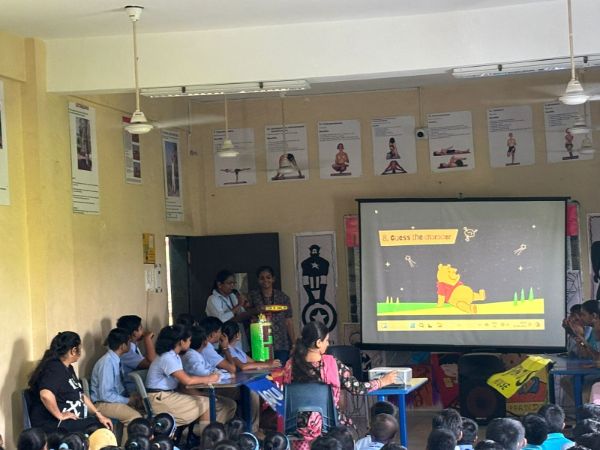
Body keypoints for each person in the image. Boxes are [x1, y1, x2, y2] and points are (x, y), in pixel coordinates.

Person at [283, 321, 397, 450]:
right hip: (328, 425)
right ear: (318, 343)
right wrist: (382, 381)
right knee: (348, 431)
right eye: (326, 340)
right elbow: (357, 388)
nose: (328, 344)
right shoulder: (332, 364)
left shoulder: (290, 365)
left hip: (297, 427)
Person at [27, 331, 113, 432]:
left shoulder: (68, 368)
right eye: (79, 348)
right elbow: (46, 395)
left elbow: (80, 395)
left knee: (101, 423)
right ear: (73, 350)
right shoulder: (54, 368)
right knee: (98, 427)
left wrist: (98, 414)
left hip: (71, 419)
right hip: (51, 422)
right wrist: (60, 415)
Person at [145, 325, 217, 433]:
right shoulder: (167, 357)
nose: (190, 342)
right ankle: (205, 439)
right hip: (159, 398)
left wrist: (200, 394)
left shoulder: (175, 356)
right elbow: (187, 380)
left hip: (167, 395)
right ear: (181, 342)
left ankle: (200, 435)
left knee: (207, 400)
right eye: (189, 340)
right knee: (206, 404)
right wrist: (209, 378)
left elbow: (181, 384)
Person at [90, 328, 143, 444]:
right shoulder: (107, 362)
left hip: (111, 401)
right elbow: (105, 395)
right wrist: (128, 400)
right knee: (134, 417)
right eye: (129, 342)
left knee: (143, 411)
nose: (130, 345)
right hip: (102, 403)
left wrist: (131, 397)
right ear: (123, 346)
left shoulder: (116, 360)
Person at [181, 325, 237, 423]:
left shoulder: (196, 354)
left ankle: (218, 428)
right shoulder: (191, 356)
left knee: (230, 404)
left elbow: (212, 370)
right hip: (195, 390)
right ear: (205, 342)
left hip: (202, 388)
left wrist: (223, 374)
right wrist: (227, 375)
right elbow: (206, 374)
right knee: (226, 405)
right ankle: (213, 430)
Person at [248, 265, 295, 364]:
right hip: (261, 341)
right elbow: (247, 314)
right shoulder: (252, 296)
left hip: (281, 342)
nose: (265, 280)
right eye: (262, 278)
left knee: (281, 368)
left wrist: (294, 343)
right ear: (258, 280)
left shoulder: (283, 297)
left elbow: (288, 321)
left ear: (273, 279)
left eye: (268, 277)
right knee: (263, 370)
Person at [206, 270, 251, 351]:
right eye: (229, 283)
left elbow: (241, 313)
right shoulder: (213, 299)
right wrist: (239, 305)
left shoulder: (232, 296)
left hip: (237, 336)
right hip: (222, 339)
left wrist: (246, 307)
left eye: (234, 283)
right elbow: (221, 319)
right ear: (219, 284)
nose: (232, 286)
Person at [117, 315, 157, 394]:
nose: (143, 331)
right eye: (141, 328)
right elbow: (152, 362)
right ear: (134, 333)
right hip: (133, 390)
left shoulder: (133, 346)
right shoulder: (126, 352)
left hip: (141, 386)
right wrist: (147, 339)